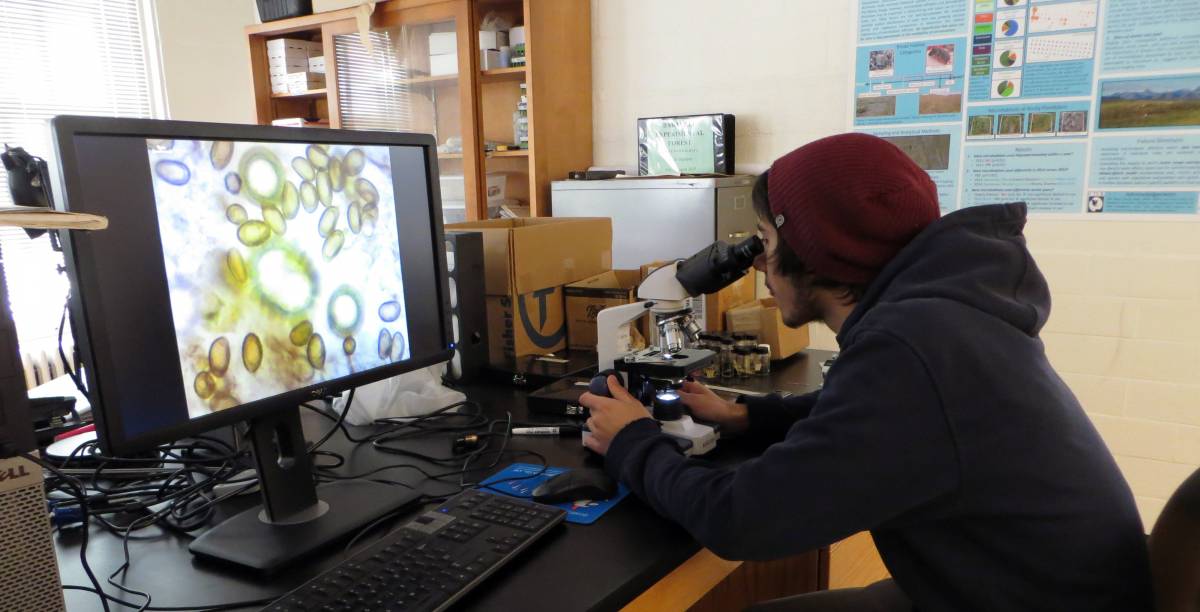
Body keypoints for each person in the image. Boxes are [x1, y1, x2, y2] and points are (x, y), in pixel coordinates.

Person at [579, 133, 1154, 611]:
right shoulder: (943, 318)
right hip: (1013, 586)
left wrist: (633, 442)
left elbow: (742, 520)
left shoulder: (910, 348)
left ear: (817, 251)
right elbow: (884, 421)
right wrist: (745, 416)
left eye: (770, 240)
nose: (758, 260)